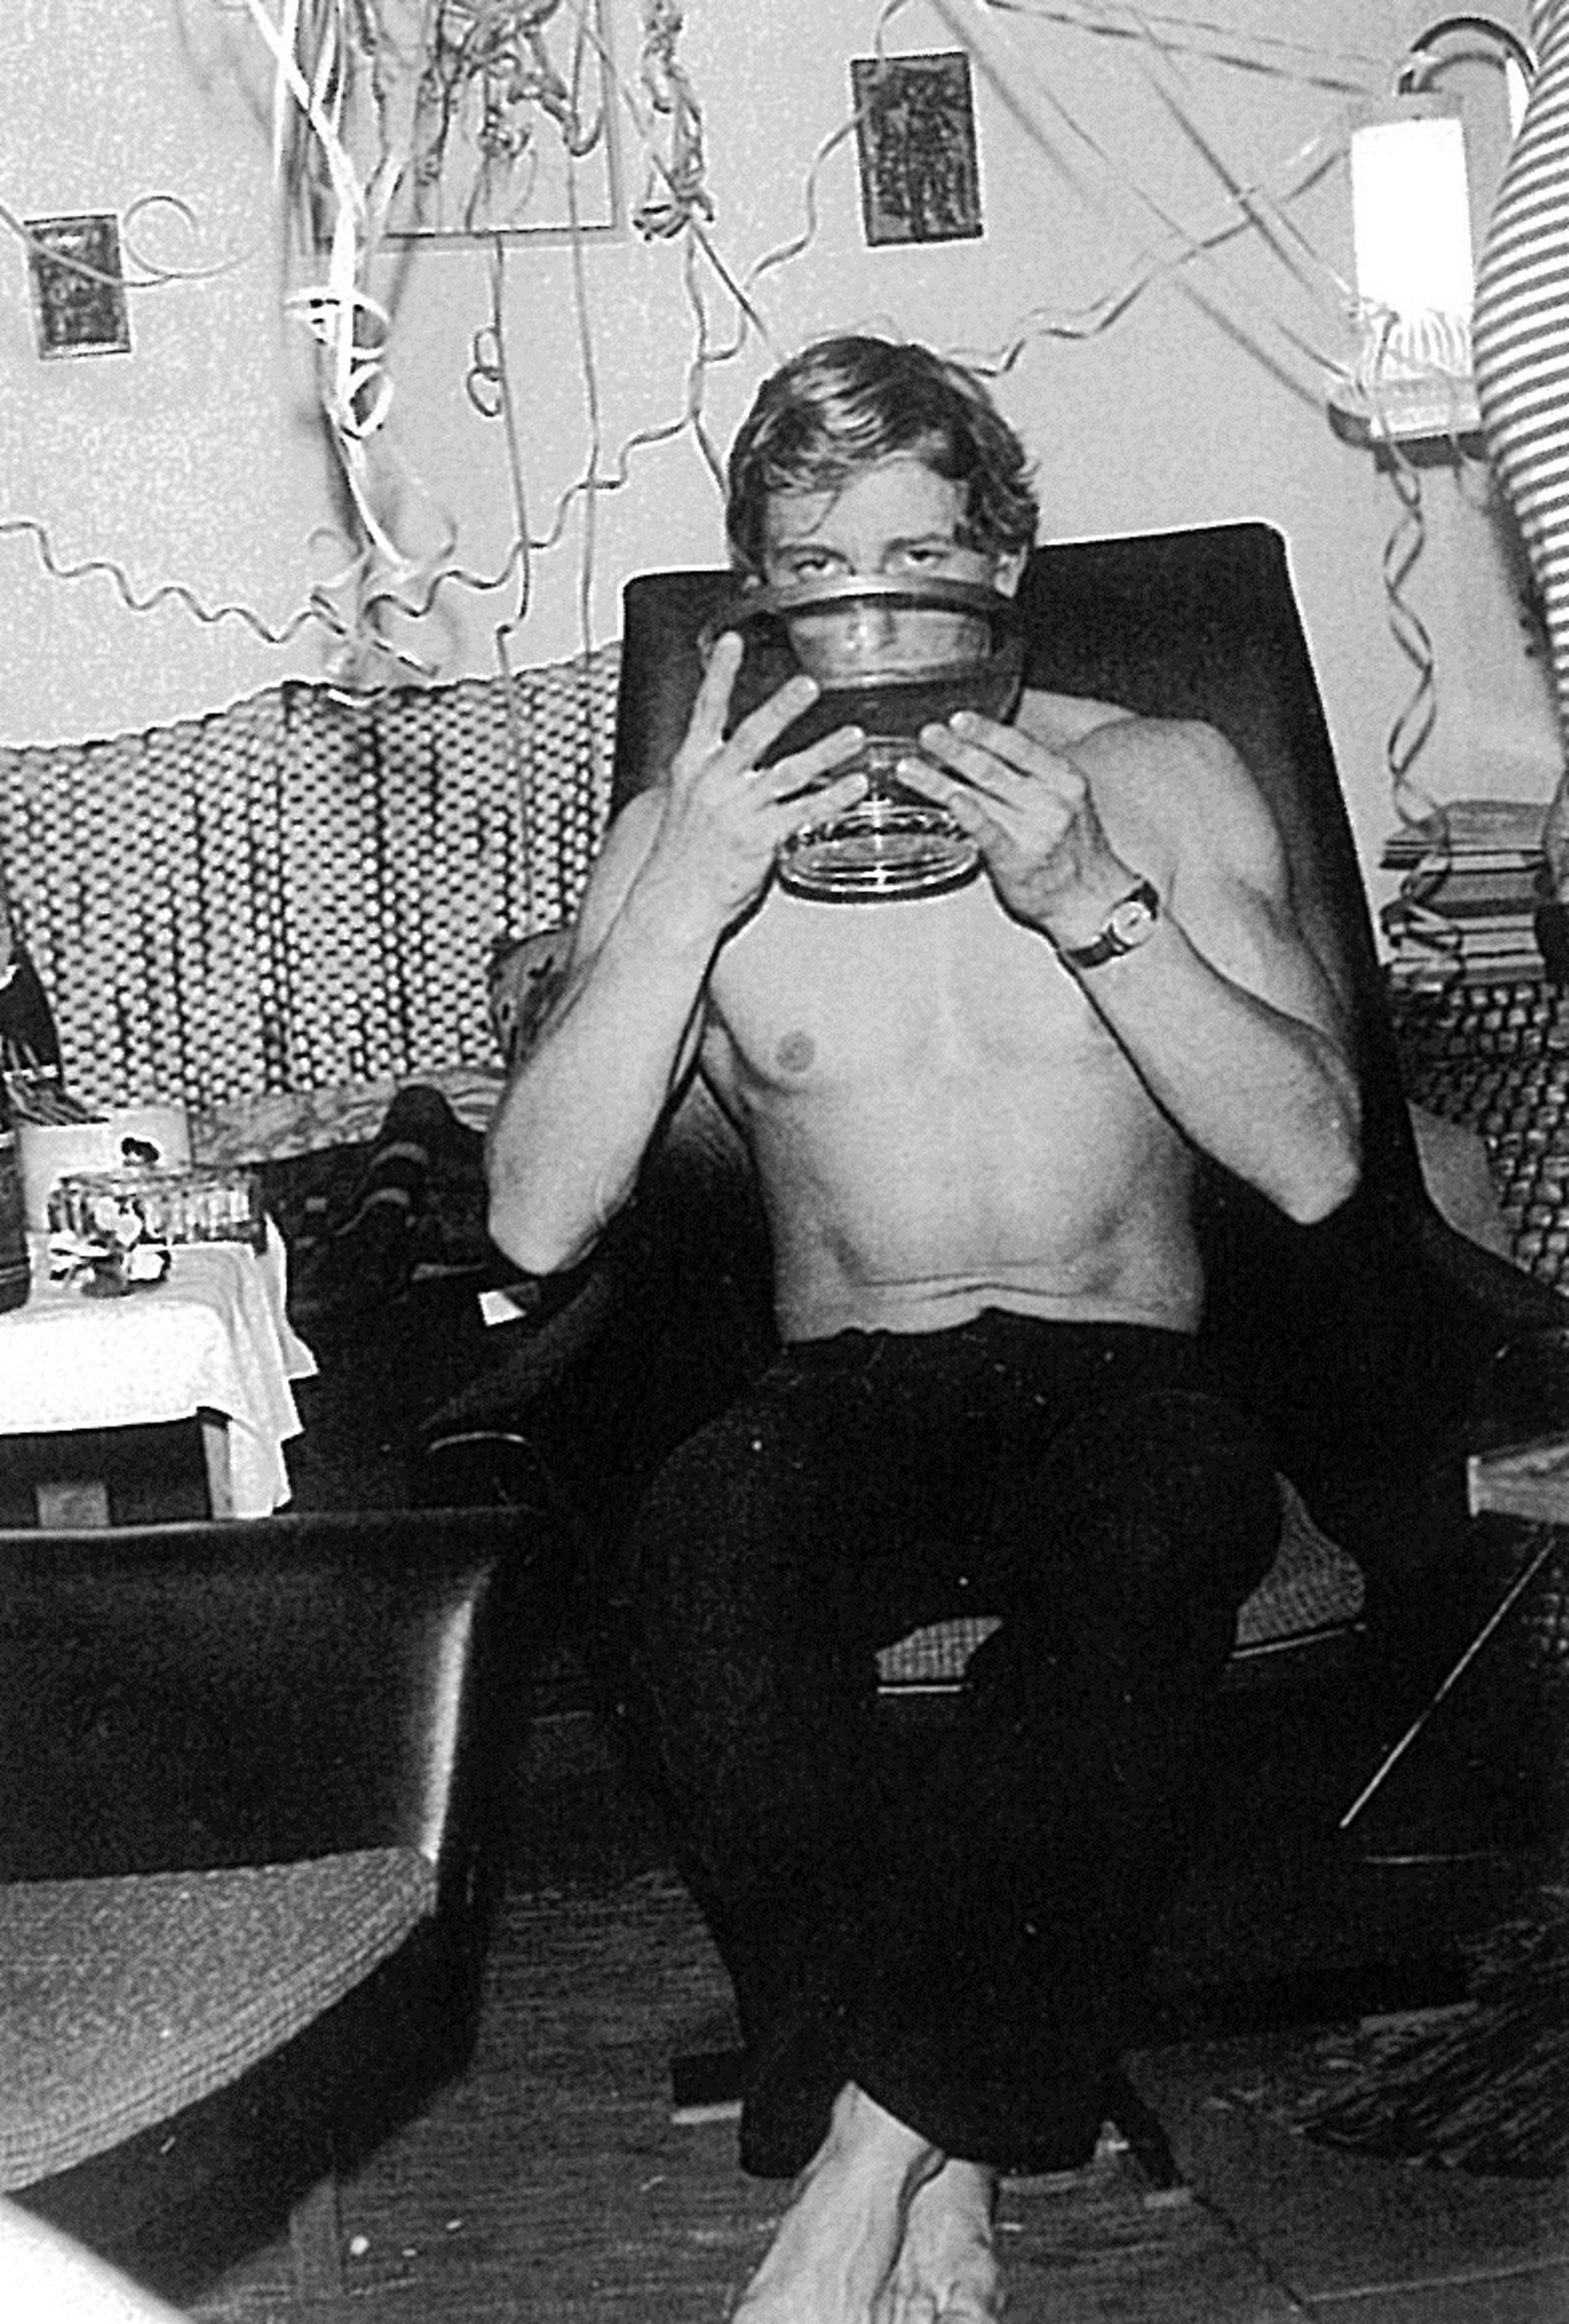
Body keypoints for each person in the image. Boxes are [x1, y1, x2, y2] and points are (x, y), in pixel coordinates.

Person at [486, 335, 1362, 2324]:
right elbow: (535, 1218)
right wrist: (682, 895)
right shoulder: (691, 831)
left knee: (1151, 1536)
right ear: (762, 597)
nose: (871, 622)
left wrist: (1093, 899)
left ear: (1005, 568)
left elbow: (1315, 1166)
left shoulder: (1159, 777)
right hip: (841, 1382)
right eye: (817, 571)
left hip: (1124, 1374)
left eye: (917, 561)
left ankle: (863, 2175)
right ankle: (950, 2148)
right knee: (699, 1548)